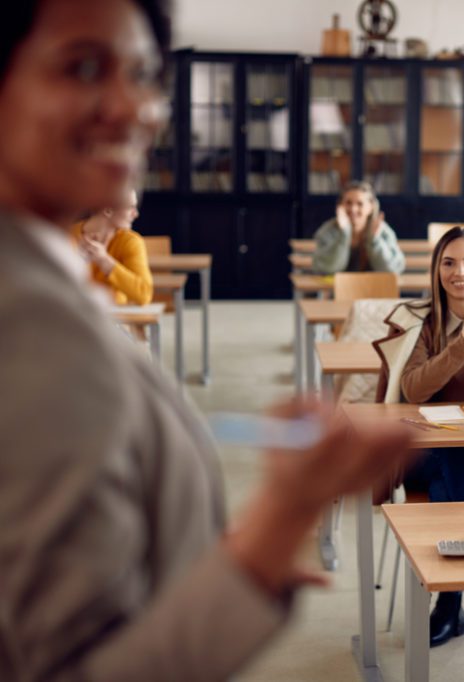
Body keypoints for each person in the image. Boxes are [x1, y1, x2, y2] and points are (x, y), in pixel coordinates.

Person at [0, 1, 416, 679]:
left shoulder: (39, 276)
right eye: (82, 68)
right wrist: (275, 530)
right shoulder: (29, 327)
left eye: (142, 74)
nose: (132, 107)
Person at [376, 226, 464, 646]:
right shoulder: (423, 322)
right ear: (437, 270)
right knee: (451, 456)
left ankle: (449, 607)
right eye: (449, 262)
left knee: (451, 485)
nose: (461, 272)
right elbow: (413, 388)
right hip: (426, 453)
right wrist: (462, 342)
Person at [72, 189, 153, 305]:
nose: (136, 214)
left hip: (116, 318)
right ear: (108, 210)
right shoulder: (66, 236)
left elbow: (144, 294)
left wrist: (104, 261)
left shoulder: (130, 241)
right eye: (131, 207)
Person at [311, 180, 405, 275]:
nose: (353, 209)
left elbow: (392, 270)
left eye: (360, 204)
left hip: (374, 288)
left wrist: (374, 241)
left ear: (371, 207)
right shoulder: (328, 231)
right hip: (338, 288)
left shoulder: (383, 231)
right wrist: (344, 234)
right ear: (340, 205)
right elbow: (326, 269)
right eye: (348, 203)